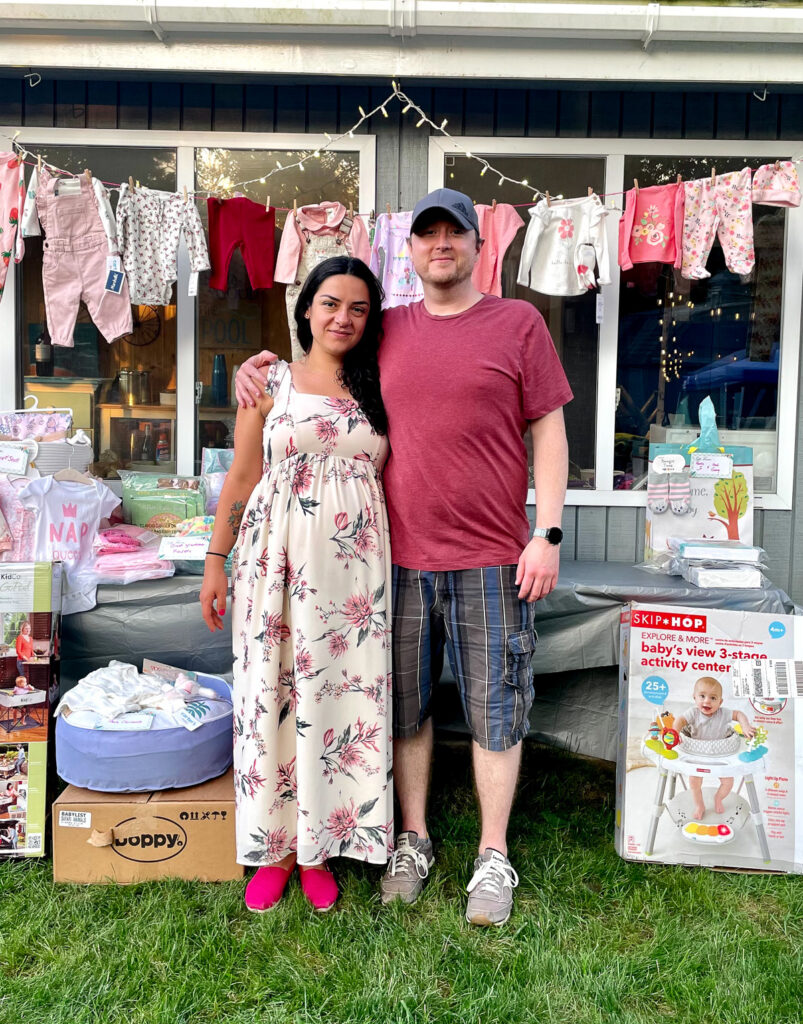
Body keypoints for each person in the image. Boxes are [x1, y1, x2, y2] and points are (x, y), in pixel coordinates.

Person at [236, 188, 572, 927]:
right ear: (410, 250)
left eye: (454, 231)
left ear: (479, 244)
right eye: (427, 234)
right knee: (405, 708)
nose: (440, 243)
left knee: (495, 712)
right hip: (392, 561)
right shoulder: (386, 329)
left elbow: (547, 431)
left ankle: (491, 853)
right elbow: (320, 352)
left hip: (492, 555)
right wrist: (257, 371)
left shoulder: (516, 324)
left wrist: (545, 532)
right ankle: (411, 840)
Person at [200, 256, 392, 914]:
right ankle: (278, 847)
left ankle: (320, 846)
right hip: (272, 567)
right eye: (331, 303)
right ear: (305, 308)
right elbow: (243, 475)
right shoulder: (271, 381)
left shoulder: (383, 383)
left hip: (354, 581)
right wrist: (214, 558)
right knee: (273, 696)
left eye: (358, 308)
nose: (343, 317)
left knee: (339, 705)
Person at [675, 677, 755, 819]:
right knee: (694, 782)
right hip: (696, 753)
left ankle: (718, 798)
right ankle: (700, 805)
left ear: (720, 702)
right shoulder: (693, 713)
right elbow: (680, 720)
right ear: (694, 698)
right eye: (702, 696)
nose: (707, 701)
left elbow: (739, 714)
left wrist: (745, 726)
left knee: (728, 782)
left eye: (713, 698)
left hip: (720, 754)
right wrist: (674, 731)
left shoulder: (723, 713)